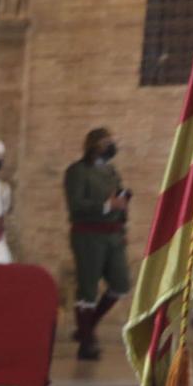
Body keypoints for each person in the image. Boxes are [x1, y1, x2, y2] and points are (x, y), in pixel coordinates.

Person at [66, 127, 132, 361]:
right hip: (88, 236)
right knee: (88, 289)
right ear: (94, 145)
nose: (111, 147)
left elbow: (119, 202)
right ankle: (86, 342)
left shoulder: (111, 171)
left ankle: (87, 326)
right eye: (107, 143)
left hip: (113, 235)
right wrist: (107, 205)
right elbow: (76, 205)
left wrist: (122, 220)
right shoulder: (77, 171)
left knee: (121, 283)